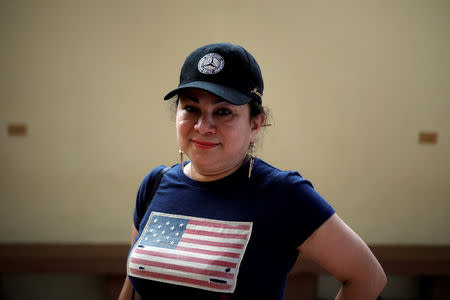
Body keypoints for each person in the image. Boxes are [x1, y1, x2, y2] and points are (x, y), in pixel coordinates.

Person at [119, 42, 386, 300]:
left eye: (223, 111)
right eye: (191, 108)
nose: (203, 126)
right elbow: (133, 286)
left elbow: (367, 277)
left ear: (256, 124)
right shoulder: (155, 184)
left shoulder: (282, 194)